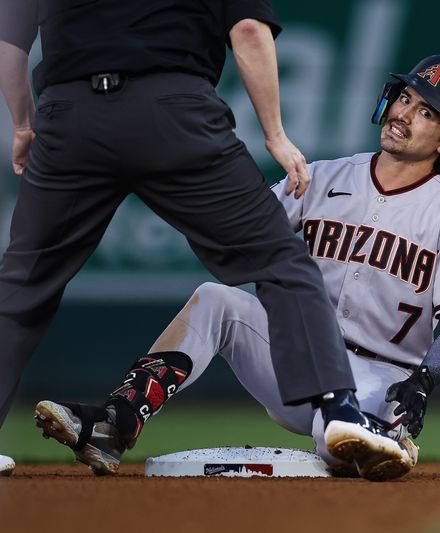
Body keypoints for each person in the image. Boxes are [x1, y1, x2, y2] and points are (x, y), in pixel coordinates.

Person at [35, 55, 440, 481]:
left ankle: (387, 434)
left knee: (339, 446)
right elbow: (239, 229)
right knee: (217, 300)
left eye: (427, 112)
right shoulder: (324, 177)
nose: (404, 114)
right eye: (405, 98)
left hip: (383, 378)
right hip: (304, 361)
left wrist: (424, 380)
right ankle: (117, 422)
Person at [0, 0, 399, 476]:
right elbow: (250, 31)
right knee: (283, 264)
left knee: (18, 289)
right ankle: (339, 411)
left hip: (70, 118)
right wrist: (274, 134)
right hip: (174, 115)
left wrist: (23, 124)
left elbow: (9, 41)